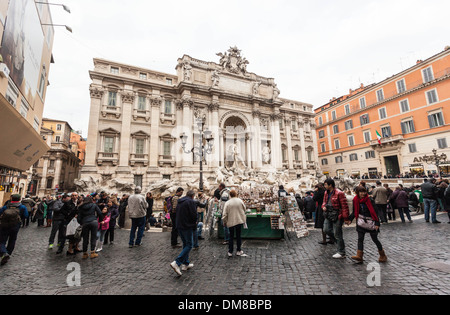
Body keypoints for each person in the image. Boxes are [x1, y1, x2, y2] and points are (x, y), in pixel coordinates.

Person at [348, 186, 387, 263]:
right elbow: (354, 211)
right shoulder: (355, 200)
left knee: (375, 239)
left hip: (371, 221)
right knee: (360, 239)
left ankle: (382, 255)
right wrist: (349, 219)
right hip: (361, 221)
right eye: (361, 192)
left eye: (364, 192)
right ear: (357, 193)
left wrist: (377, 222)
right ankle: (359, 255)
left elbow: (375, 212)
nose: (363, 193)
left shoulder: (370, 200)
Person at [170, 190, 198, 276]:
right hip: (187, 226)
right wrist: (194, 224)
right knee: (189, 244)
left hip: (180, 225)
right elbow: (194, 215)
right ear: (193, 196)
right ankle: (177, 262)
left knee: (185, 244)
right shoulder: (191, 202)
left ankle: (186, 264)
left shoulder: (180, 201)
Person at [321, 178, 350, 259]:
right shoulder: (326, 193)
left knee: (337, 233)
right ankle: (339, 241)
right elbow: (324, 202)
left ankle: (341, 252)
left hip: (338, 215)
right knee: (326, 229)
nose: (324, 186)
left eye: (326, 184)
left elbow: (344, 206)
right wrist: (323, 206)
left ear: (330, 185)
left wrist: (346, 218)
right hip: (328, 214)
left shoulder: (339, 193)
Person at [0, 194, 29, 265]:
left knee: (2, 241)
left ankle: (4, 252)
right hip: (15, 226)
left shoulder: (6, 206)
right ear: (19, 199)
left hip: (4, 225)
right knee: (12, 240)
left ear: (11, 199)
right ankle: (8, 253)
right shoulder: (22, 207)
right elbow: (26, 215)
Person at [222, 190, 247, 257]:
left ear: (230, 195)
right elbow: (244, 209)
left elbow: (225, 214)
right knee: (238, 236)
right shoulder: (240, 201)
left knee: (231, 236)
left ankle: (230, 251)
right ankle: (238, 250)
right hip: (239, 221)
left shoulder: (227, 203)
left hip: (231, 221)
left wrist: (224, 221)